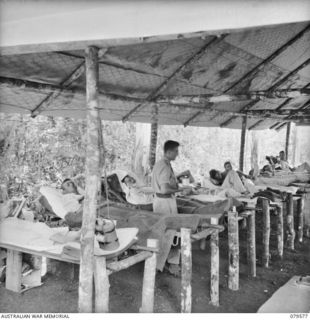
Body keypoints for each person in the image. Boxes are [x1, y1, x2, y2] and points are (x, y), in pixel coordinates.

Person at [151, 140, 191, 215]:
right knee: (170, 225)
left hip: (161, 200)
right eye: (176, 151)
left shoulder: (160, 163)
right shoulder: (165, 166)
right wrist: (181, 189)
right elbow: (165, 190)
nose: (177, 154)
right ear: (169, 152)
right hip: (165, 202)